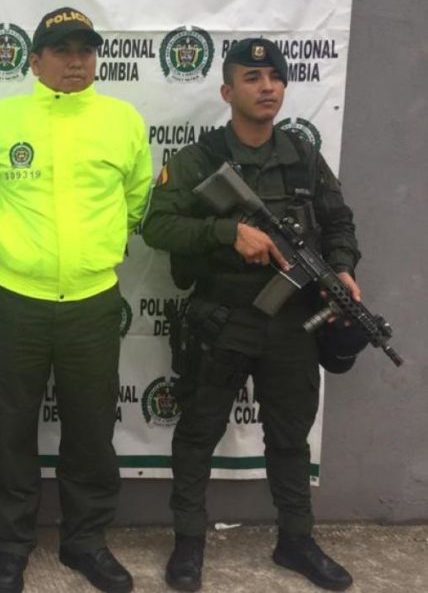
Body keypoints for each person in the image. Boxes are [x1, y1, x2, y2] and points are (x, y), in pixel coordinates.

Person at [141, 38, 360, 592]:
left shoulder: (302, 155)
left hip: (292, 322)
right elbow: (157, 226)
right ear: (227, 91)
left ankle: (296, 540)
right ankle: (189, 541)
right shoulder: (200, 159)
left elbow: (338, 222)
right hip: (223, 317)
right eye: (252, 78)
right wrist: (227, 232)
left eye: (275, 78)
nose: (267, 88)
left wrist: (342, 267)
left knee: (290, 436)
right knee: (198, 434)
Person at [0, 7, 152, 593]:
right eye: (61, 50)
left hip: (92, 301)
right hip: (19, 300)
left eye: (85, 50)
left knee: (91, 427)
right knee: (11, 427)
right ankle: (12, 546)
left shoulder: (122, 121)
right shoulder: (3, 119)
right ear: (34, 61)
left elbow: (136, 201)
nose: (75, 61)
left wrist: (95, 249)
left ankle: (85, 541)